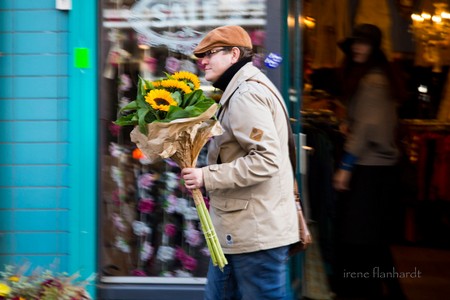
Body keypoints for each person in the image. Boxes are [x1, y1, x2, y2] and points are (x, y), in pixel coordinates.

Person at [180, 25, 299, 299]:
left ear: (234, 54)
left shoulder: (246, 94)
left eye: (210, 53)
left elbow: (267, 159)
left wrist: (205, 176)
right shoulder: (242, 89)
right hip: (242, 231)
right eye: (202, 55)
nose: (203, 61)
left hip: (255, 234)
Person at [332, 24, 406, 299]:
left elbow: (365, 128)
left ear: (374, 49)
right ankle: (388, 292)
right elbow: (366, 123)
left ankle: (365, 291)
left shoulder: (372, 81)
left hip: (369, 169)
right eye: (355, 43)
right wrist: (346, 123)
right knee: (373, 241)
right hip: (379, 170)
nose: (357, 48)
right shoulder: (377, 77)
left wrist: (345, 167)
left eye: (364, 43)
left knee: (359, 240)